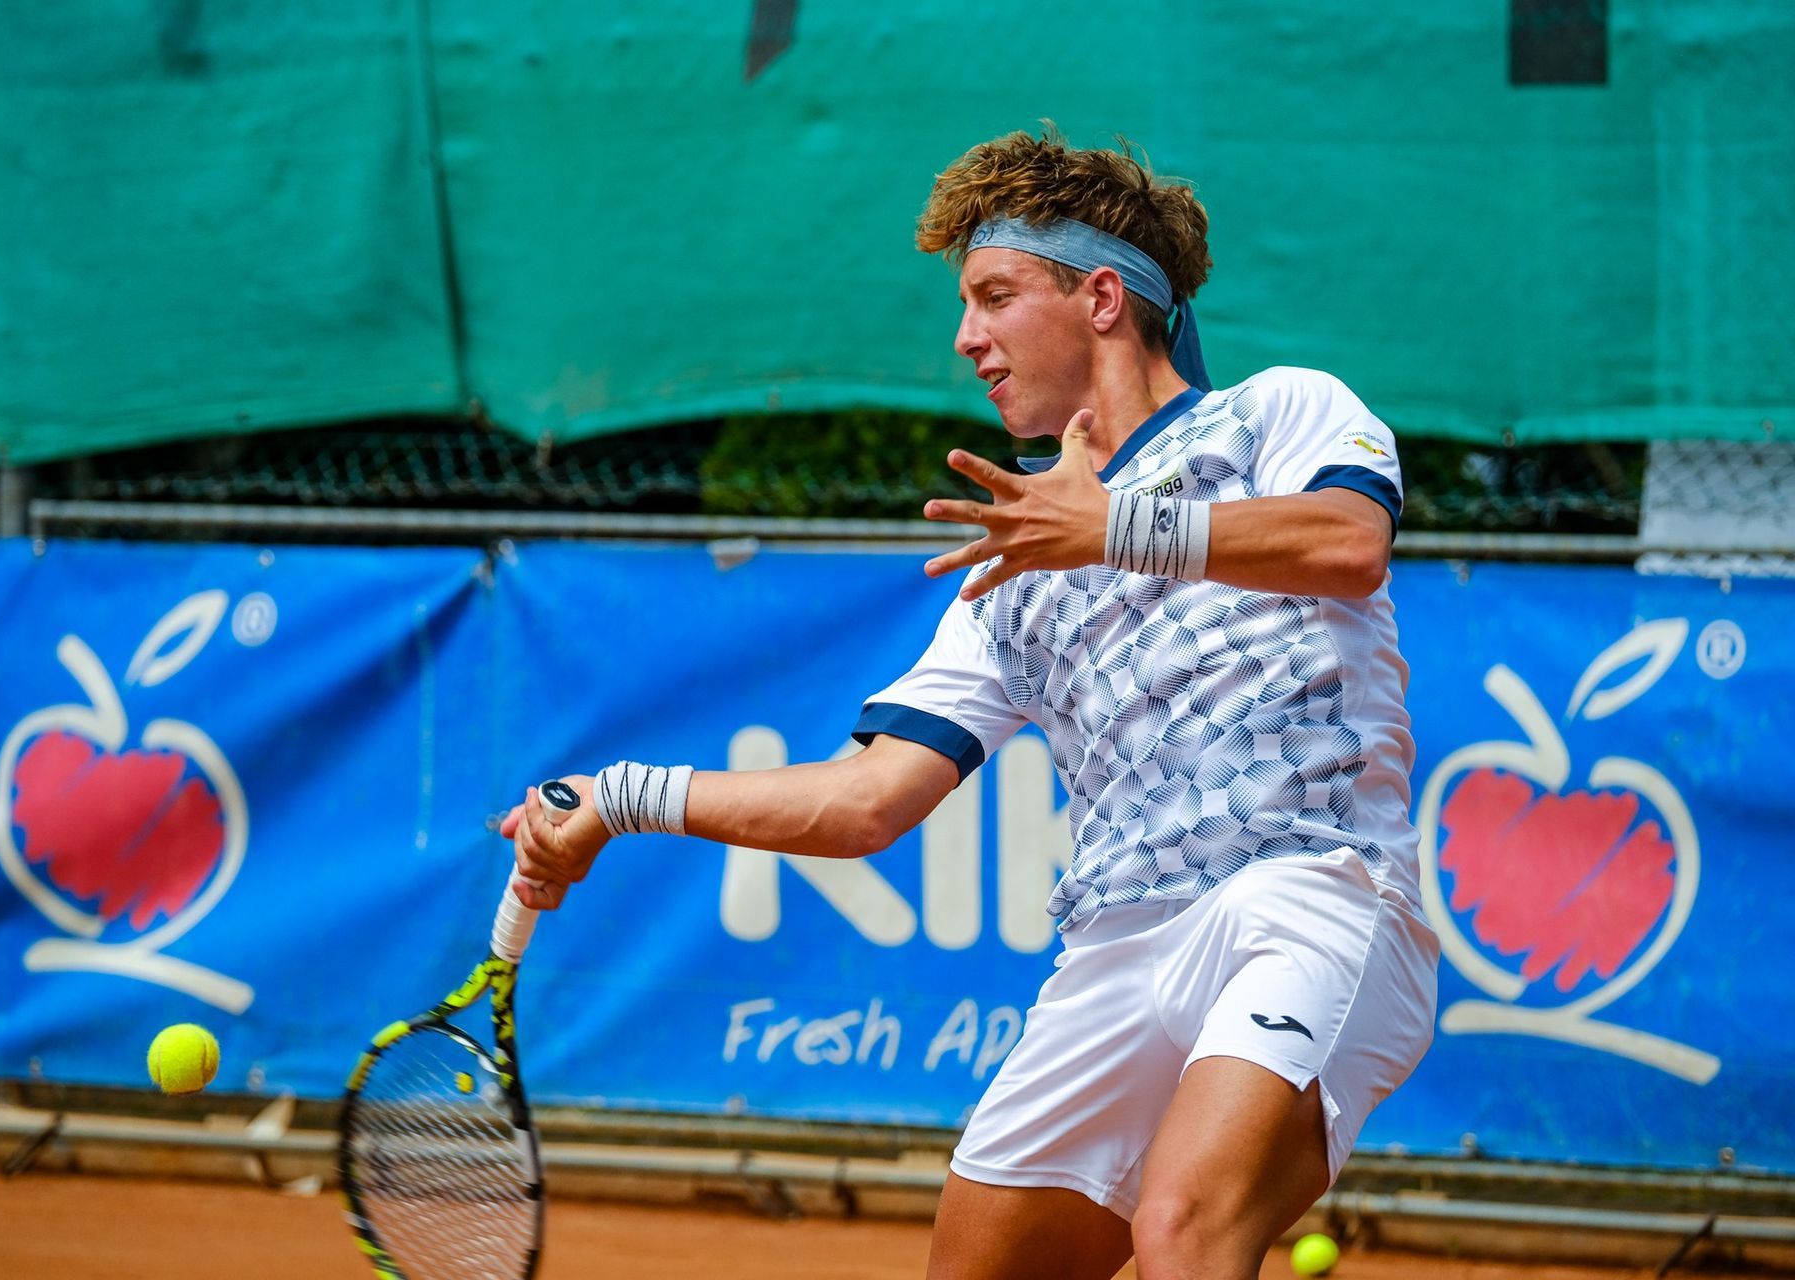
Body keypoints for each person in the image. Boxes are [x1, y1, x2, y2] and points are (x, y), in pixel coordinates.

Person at [503, 127, 1439, 1280]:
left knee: (1184, 1230)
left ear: (1102, 298)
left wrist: (1108, 527)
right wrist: (623, 794)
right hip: (1116, 940)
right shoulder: (1010, 563)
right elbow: (864, 801)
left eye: (994, 296)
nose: (966, 338)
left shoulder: (1278, 410)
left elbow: (1349, 544)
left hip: (1313, 887)